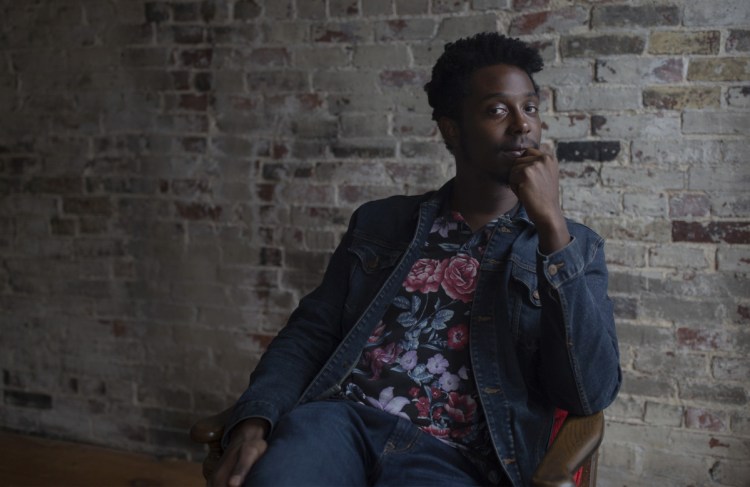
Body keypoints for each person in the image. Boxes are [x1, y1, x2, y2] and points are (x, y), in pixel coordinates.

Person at [210, 32, 621, 487]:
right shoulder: (381, 223)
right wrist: (254, 420)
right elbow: (310, 334)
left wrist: (552, 230)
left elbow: (589, 392)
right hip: (338, 424)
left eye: (530, 108)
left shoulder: (574, 247)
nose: (522, 125)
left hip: (455, 459)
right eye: (497, 110)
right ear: (450, 128)